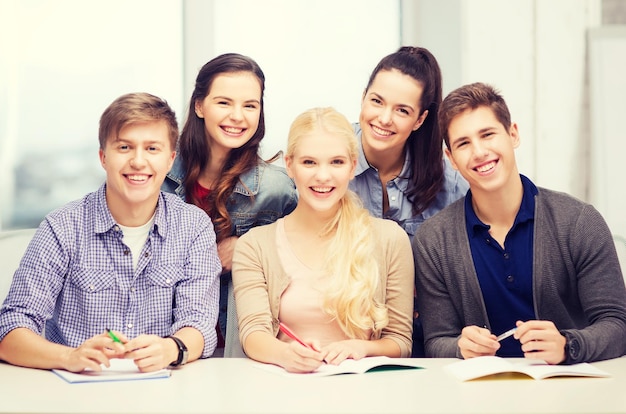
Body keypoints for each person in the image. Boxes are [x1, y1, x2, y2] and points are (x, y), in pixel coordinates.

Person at [0, 92, 221, 373]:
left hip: (162, 391)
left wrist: (171, 348)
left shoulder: (193, 226)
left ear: (170, 159)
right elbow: (10, 329)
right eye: (124, 147)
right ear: (103, 157)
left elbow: (199, 323)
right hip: (74, 393)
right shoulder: (62, 226)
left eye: (152, 149)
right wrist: (69, 357)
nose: (138, 161)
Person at [413, 82, 626, 364]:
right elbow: (437, 340)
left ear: (513, 134)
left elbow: (618, 325)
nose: (478, 152)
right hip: (479, 395)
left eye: (487, 134)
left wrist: (567, 345)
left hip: (571, 390)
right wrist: (460, 348)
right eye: (463, 143)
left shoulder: (579, 222)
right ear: (450, 158)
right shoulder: (433, 241)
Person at [232, 107, 414, 373]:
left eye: (336, 162)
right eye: (309, 162)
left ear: (352, 167)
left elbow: (400, 341)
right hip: (284, 390)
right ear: (290, 166)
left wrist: (361, 348)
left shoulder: (390, 239)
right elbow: (253, 334)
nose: (323, 176)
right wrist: (286, 354)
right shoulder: (254, 246)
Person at [162, 53, 297, 346]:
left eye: (250, 106)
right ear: (199, 105)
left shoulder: (275, 188)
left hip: (240, 346)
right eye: (224, 102)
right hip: (167, 342)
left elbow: (307, 256)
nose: (238, 116)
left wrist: (249, 247)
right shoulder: (159, 179)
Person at [349, 46, 469, 357]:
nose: (384, 118)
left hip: (423, 337)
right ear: (363, 97)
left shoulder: (450, 182)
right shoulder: (328, 157)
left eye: (402, 110)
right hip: (342, 334)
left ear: (420, 119)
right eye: (377, 101)